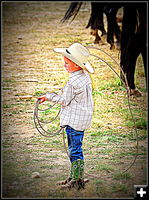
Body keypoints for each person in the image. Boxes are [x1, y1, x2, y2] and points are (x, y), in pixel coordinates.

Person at [38, 43, 94, 189]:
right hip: (82, 119)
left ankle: (76, 180)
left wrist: (48, 97)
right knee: (76, 148)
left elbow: (64, 100)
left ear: (76, 65)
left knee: (74, 149)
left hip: (74, 121)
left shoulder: (72, 81)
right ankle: (75, 176)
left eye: (66, 63)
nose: (64, 66)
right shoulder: (84, 76)